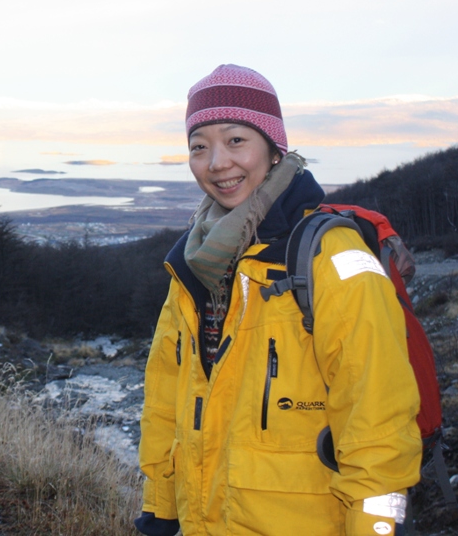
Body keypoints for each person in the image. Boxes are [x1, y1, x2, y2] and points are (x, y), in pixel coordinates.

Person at [135, 64, 422, 536]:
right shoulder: (193, 263)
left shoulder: (330, 257)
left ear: (273, 149)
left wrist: (377, 528)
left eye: (235, 140)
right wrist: (160, 508)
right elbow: (167, 400)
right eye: (199, 146)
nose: (216, 163)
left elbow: (379, 423)